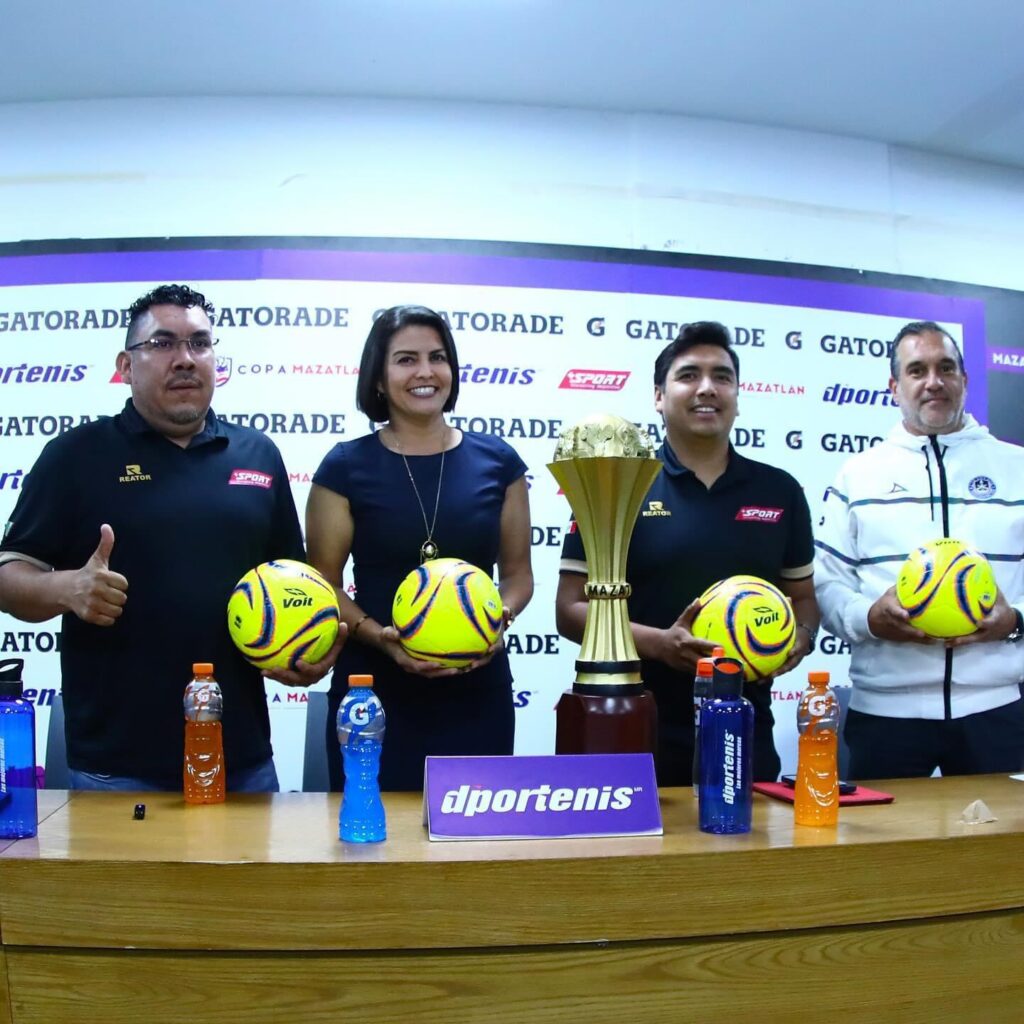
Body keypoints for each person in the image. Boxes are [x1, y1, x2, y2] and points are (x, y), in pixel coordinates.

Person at [0, 284, 340, 791]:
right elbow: (8, 574)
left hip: (242, 760)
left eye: (199, 343)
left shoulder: (258, 455)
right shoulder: (75, 455)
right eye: (162, 344)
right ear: (125, 365)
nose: (185, 359)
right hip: (115, 769)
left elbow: (292, 580)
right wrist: (67, 588)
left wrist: (304, 646)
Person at [556, 321, 819, 785]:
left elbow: (804, 601)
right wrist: (662, 644)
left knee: (749, 834)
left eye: (722, 377)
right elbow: (570, 609)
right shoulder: (617, 484)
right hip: (638, 728)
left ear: (737, 395)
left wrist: (799, 639)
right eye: (689, 375)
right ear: (659, 396)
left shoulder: (780, 490)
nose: (707, 388)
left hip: (744, 731)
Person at [306, 304, 534, 791]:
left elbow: (518, 576)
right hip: (372, 693)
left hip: (477, 688)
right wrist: (379, 638)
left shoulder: (499, 463)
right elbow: (323, 585)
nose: (425, 372)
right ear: (378, 378)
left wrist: (499, 619)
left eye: (437, 357)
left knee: (475, 830)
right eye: (406, 359)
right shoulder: (344, 467)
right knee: (369, 832)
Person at [815, 321, 1024, 779]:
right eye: (917, 370)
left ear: (964, 380)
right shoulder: (858, 475)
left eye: (946, 368)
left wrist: (1015, 620)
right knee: (888, 830)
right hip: (886, 714)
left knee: (1005, 830)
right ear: (894, 387)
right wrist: (869, 618)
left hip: (997, 710)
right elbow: (827, 583)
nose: (934, 381)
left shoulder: (1017, 467)